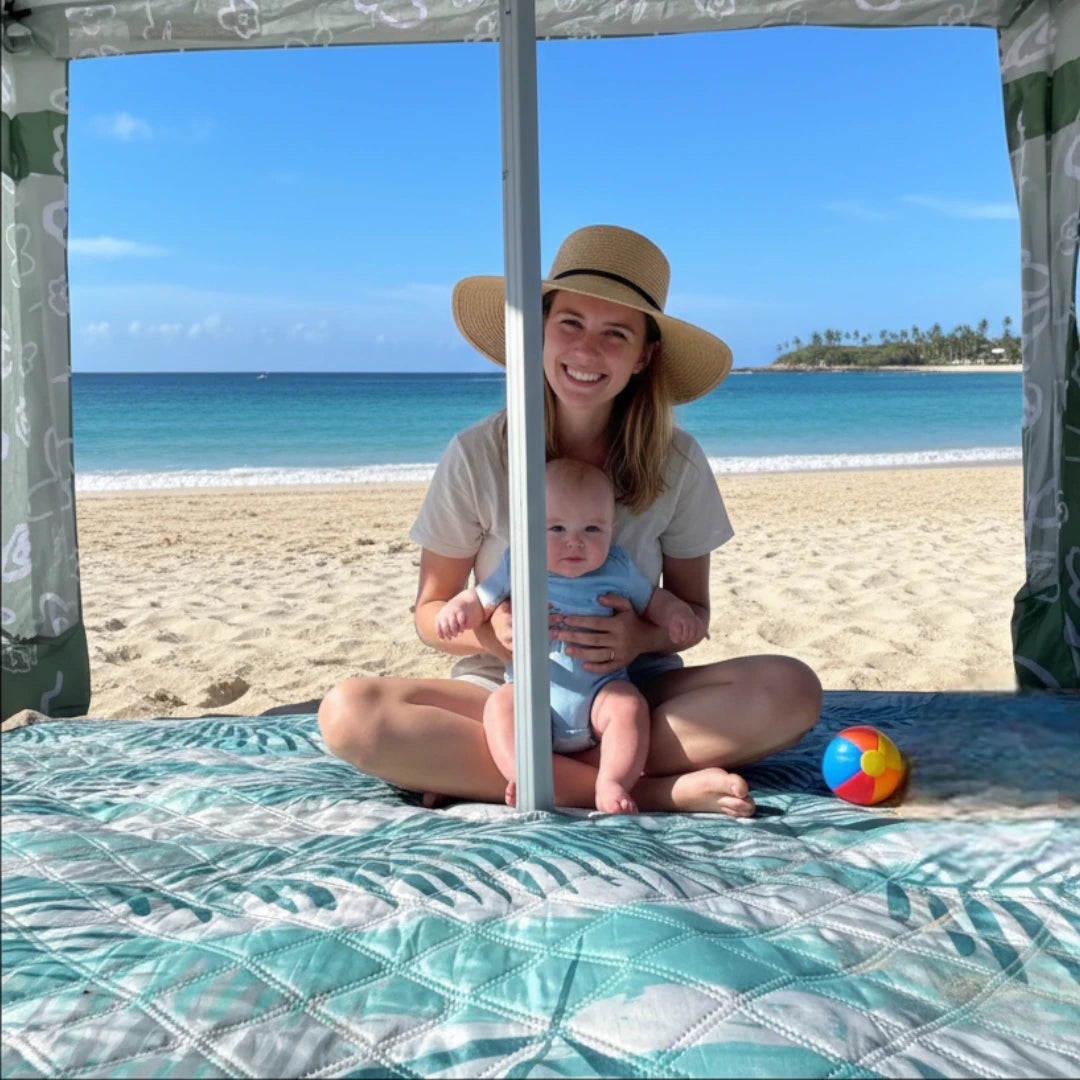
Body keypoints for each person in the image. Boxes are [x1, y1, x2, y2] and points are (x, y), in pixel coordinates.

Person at [319, 224, 822, 817]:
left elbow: (694, 614)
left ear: (644, 356)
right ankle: (650, 791)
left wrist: (639, 636)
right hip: (501, 691)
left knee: (791, 690)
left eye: (616, 334)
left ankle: (496, 775)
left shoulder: (678, 462)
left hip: (630, 692)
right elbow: (430, 614)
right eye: (570, 324)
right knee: (350, 714)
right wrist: (491, 633)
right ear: (535, 331)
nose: (587, 352)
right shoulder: (479, 453)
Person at [435, 457, 707, 815]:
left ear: (612, 528)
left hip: (599, 694)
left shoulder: (618, 567)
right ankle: (522, 772)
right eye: (557, 529)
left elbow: (655, 599)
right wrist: (458, 611)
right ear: (530, 527)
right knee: (501, 705)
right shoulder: (520, 563)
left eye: (592, 530)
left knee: (629, 706)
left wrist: (676, 616)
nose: (574, 542)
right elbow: (481, 600)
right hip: (533, 696)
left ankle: (612, 781)